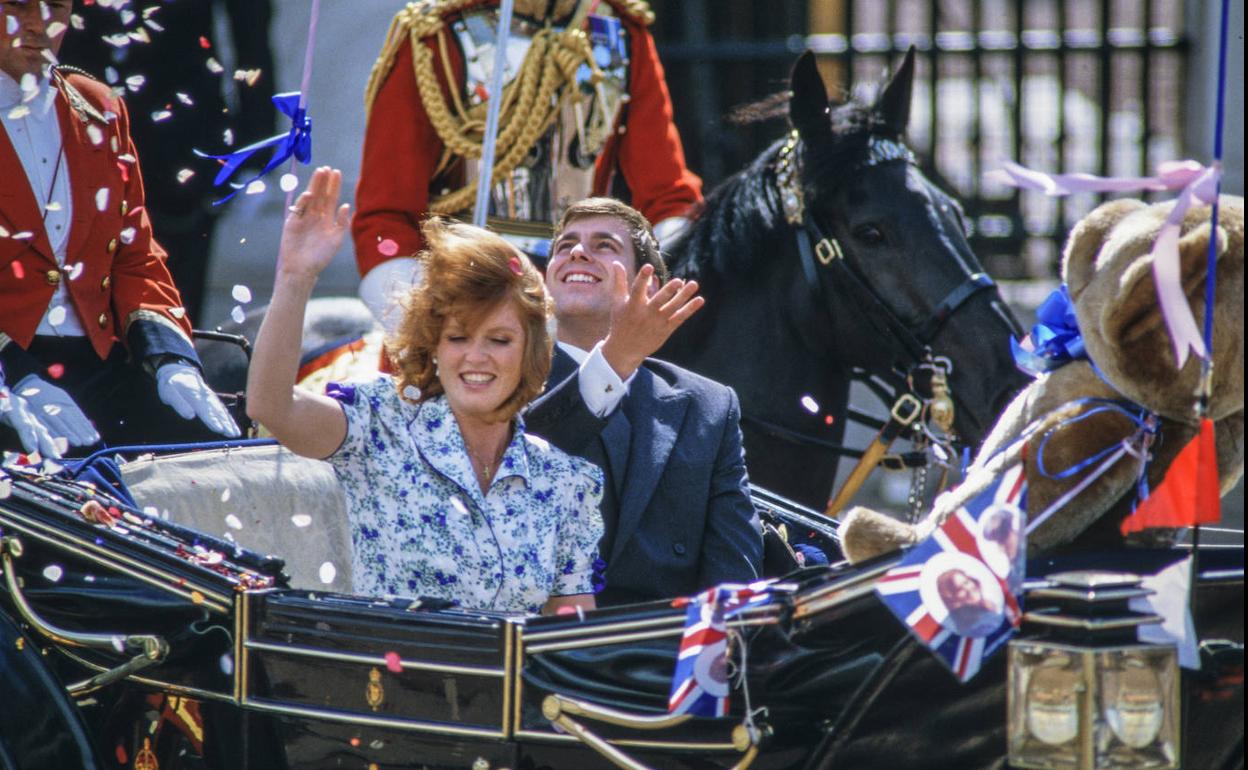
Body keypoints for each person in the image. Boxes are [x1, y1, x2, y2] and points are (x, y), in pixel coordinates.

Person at [247, 167, 604, 615]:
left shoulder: (566, 482)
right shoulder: (378, 424)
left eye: (499, 340)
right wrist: (296, 278)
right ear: (434, 346)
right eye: (458, 338)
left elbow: (569, 635)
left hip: (508, 685)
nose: (476, 357)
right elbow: (272, 407)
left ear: (530, 352)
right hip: (391, 678)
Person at [352, 0, 702, 332]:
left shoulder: (622, 31)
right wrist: (433, 325)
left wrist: (647, 295)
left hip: (587, 302)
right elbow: (386, 217)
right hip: (461, 300)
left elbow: (668, 196)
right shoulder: (435, 36)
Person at [0, 0, 239, 454]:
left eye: (54, 5)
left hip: (101, 359)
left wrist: (170, 357)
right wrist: (15, 375)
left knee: (211, 449)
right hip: (11, 366)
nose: (38, 23)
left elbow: (135, 255)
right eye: (17, 4)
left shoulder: (98, 106)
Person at [526, 197, 763, 606]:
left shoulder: (709, 406)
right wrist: (613, 361)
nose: (578, 252)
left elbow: (732, 570)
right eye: (565, 247)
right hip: (544, 647)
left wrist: (708, 659)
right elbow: (528, 456)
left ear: (647, 286)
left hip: (664, 652)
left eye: (604, 245)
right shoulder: (508, 380)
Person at [58, 0, 277, 324]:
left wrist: (254, 154)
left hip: (183, 151)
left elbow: (251, 33)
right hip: (73, 129)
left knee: (174, 304)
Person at [934, 567, 1002, 638]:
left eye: (966, 582)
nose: (968, 588)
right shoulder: (973, 627)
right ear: (953, 600)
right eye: (960, 589)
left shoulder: (990, 608)